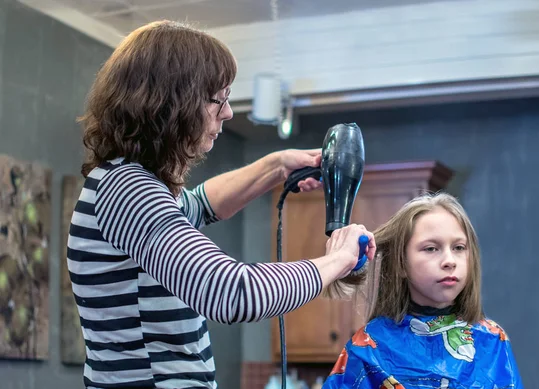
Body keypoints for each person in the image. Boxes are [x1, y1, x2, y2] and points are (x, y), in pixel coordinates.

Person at [68, 20, 376, 389]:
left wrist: (276, 166)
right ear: (173, 103)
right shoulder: (129, 189)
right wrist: (337, 260)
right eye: (219, 99)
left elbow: (201, 204)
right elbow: (230, 292)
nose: (228, 113)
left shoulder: (131, 185)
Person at [322, 192, 523, 389]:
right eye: (431, 249)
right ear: (401, 263)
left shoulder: (493, 341)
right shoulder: (367, 348)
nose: (449, 261)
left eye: (459, 248)